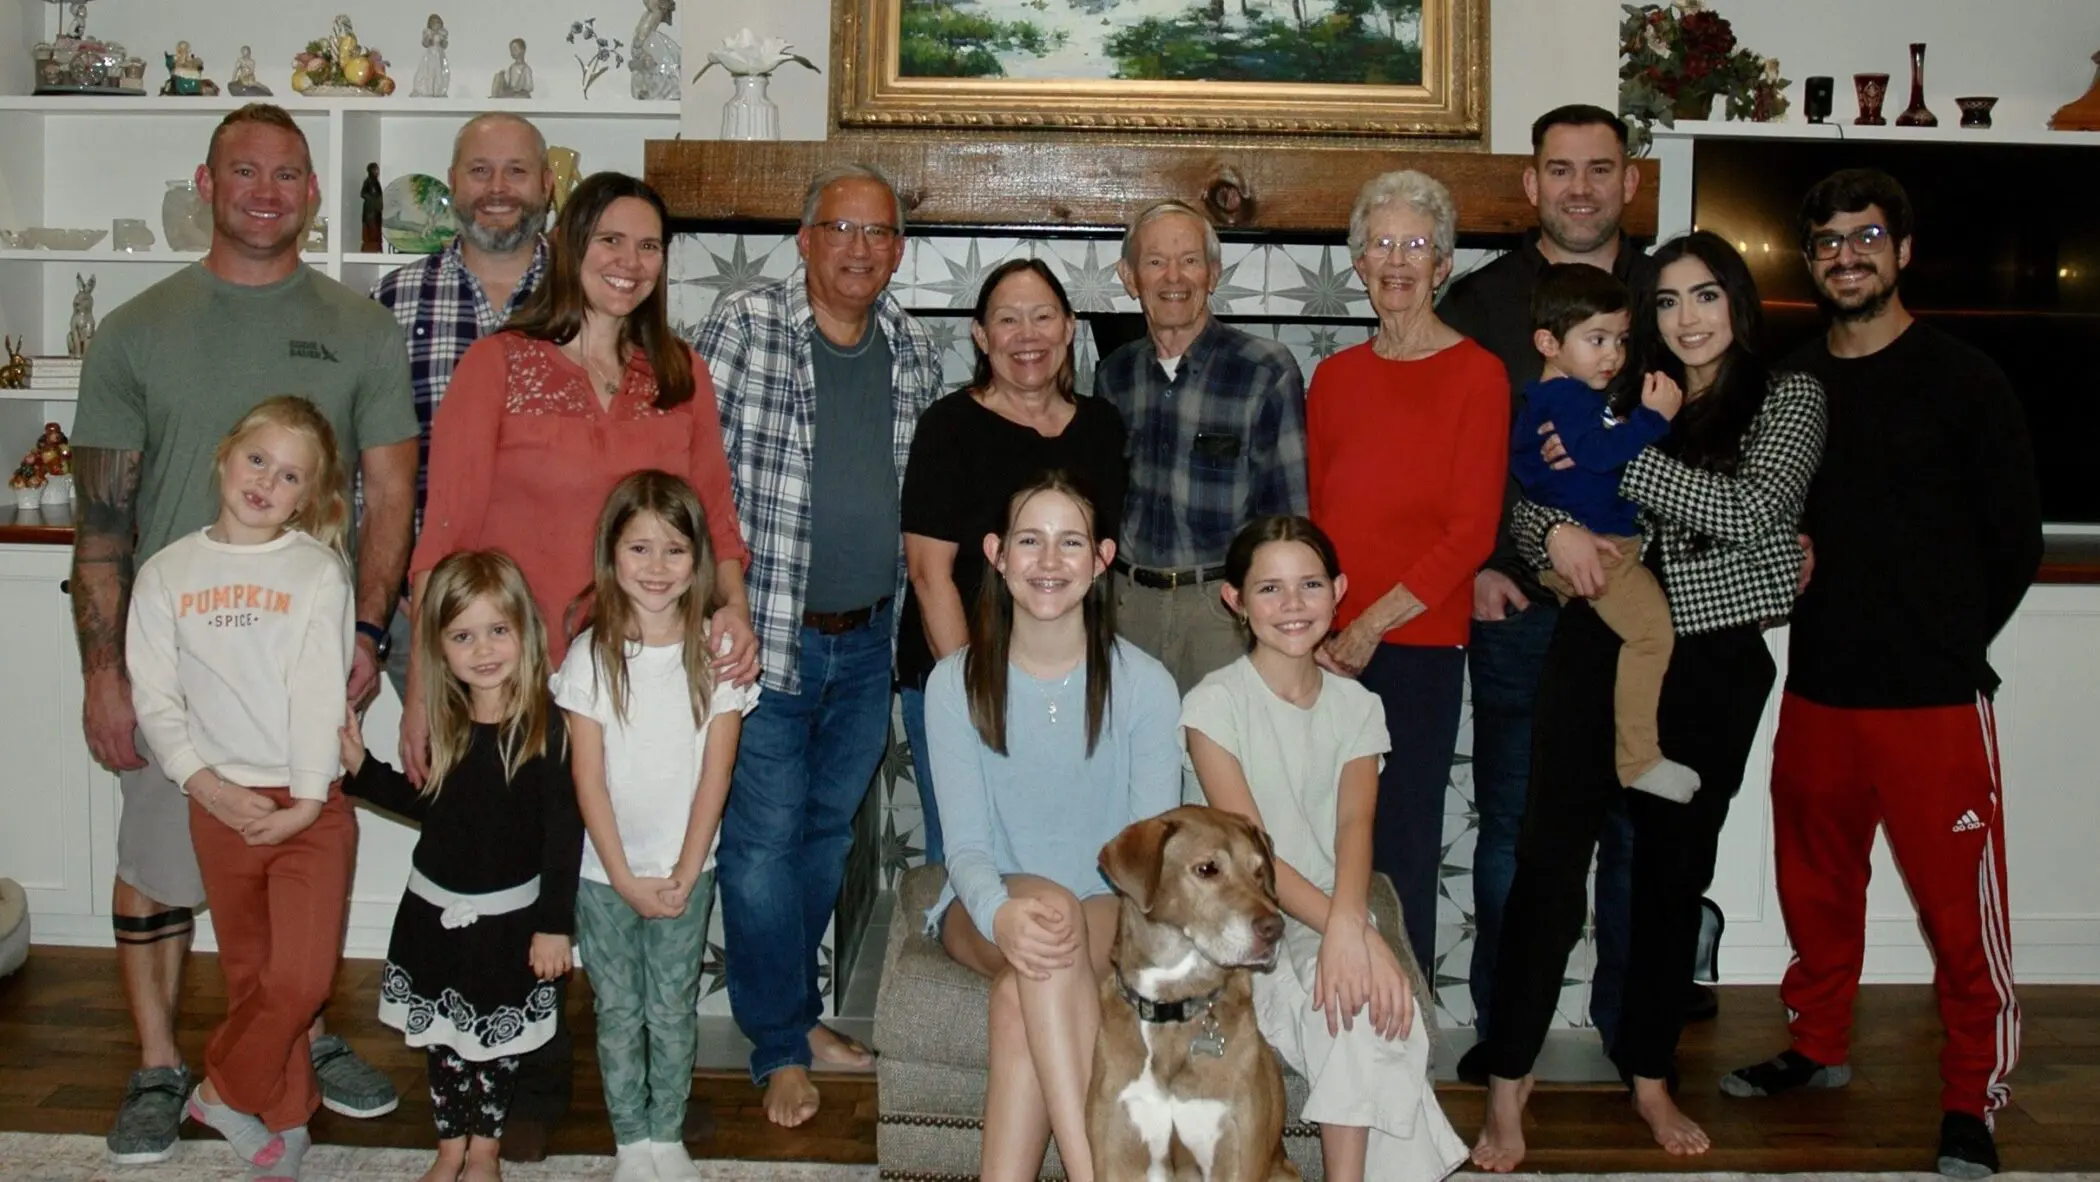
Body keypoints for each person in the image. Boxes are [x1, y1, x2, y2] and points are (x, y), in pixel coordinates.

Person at [70, 102, 414, 1165]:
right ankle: (161, 1063)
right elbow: (100, 522)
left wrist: (365, 631)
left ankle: (288, 1047)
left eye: (287, 174)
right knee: (160, 865)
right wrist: (104, 675)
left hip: (304, 649)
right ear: (207, 183)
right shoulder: (134, 329)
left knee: (295, 878)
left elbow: (391, 494)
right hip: (175, 659)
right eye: (244, 171)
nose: (266, 190)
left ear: (315, 194)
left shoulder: (361, 329)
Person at [1471, 232, 1827, 1171]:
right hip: (1595, 648)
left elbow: (1755, 518)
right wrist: (1554, 535)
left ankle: (1650, 1076)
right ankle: (1508, 1087)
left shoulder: (1787, 397)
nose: (1686, 319)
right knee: (1548, 866)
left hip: (1711, 667)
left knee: (1669, 881)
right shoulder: (1619, 389)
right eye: (1665, 303)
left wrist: (1618, 460)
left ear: (1737, 303)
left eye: (1704, 296)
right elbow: (1531, 497)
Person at [1720, 168, 2041, 1179]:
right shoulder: (1793, 383)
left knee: (1959, 919)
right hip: (1818, 690)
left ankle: (1971, 1100)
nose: (1845, 255)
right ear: (1811, 261)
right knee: (1815, 892)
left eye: (1865, 236)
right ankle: (1817, 1048)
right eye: (1826, 242)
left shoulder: (1965, 378)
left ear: (1902, 252)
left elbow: (2016, 540)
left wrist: (1944, 636)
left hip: (1934, 703)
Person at [693, 161, 945, 1127]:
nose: (859, 249)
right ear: (803, 239)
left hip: (867, 642)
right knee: (759, 846)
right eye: (840, 229)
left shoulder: (916, 350)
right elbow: (691, 474)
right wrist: (723, 603)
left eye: (879, 233)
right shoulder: (745, 328)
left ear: (898, 250)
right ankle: (777, 1045)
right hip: (760, 638)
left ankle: (793, 1022)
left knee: (821, 843)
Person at [1436, 103, 1651, 1063]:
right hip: (1522, 611)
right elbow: (1450, 454)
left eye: (1599, 170)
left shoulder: (1675, 297)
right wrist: (1482, 563)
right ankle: (1502, 1028)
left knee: (1637, 819)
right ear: (1530, 185)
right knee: (1515, 828)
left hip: (1650, 607)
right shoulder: (1480, 306)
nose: (1578, 189)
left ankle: (1629, 1024)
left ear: (1630, 181)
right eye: (1559, 170)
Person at [409, 169, 756, 747]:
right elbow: (443, 542)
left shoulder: (681, 373)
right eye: (610, 240)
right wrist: (421, 697)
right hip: (518, 679)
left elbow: (714, 518)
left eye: (649, 247)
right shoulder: (496, 365)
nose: (631, 261)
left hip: (644, 676)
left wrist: (735, 611)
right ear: (571, 247)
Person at [1183, 514, 1468, 1182]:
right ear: (1235, 600)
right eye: (1270, 589)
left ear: (1340, 590)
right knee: (1355, 1000)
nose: (1292, 606)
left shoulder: (1357, 707)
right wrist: (1351, 931)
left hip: (1320, 911)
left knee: (1364, 1010)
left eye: (1310, 585)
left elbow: (1354, 829)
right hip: (1236, 923)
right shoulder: (1213, 705)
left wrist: (1352, 927)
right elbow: (1250, 855)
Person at [125, 397, 360, 1181]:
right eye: (257, 459)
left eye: (289, 475)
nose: (266, 481)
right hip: (218, 806)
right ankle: (283, 1119)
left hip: (308, 808)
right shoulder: (166, 573)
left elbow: (317, 695)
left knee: (301, 979)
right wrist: (209, 789)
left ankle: (219, 1086)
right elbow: (155, 700)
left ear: (308, 498)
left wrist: (301, 802)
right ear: (226, 455)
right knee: (252, 976)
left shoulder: (314, 571)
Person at [925, 474, 1181, 1182]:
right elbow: (967, 846)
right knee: (1044, 918)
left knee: (1024, 989)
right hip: (982, 906)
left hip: (1106, 908)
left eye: (1070, 543)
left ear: (1101, 560)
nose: (1048, 561)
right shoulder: (954, 683)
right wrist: (999, 913)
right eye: (1029, 541)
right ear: (997, 556)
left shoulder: (1146, 685)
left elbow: (1146, 859)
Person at [1306, 169, 1509, 973]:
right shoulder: (1334, 379)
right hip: (1324, 650)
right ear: (1357, 263)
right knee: (1323, 846)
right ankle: (1332, 1026)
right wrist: (1317, 630)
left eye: (1415, 244)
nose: (1397, 260)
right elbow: (1317, 524)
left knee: (1400, 849)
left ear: (1444, 264)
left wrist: (1367, 627)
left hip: (1417, 650)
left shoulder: (1478, 376)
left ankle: (1400, 1044)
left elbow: (1471, 534)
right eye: (1380, 243)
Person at [338, 550, 582, 1182]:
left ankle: (485, 1149)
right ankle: (450, 1145)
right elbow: (433, 805)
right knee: (444, 1038)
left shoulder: (548, 731)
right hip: (433, 914)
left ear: (524, 632)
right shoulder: (444, 721)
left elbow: (563, 837)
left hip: (510, 922)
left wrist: (555, 926)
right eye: (463, 636)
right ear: (439, 648)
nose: (483, 650)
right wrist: (363, 772)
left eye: (497, 631)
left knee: (496, 1046)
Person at [555, 471, 758, 1182]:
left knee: (671, 1008)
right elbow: (587, 779)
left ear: (698, 559)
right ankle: (630, 1142)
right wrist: (620, 875)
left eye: (674, 550)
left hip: (685, 872)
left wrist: (682, 869)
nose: (656, 567)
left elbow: (717, 776)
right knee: (617, 1010)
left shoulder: (717, 659)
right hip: (602, 874)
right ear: (612, 556)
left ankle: (666, 1135)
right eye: (639, 549)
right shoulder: (590, 656)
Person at [899, 259, 1127, 865]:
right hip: (966, 681)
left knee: (1060, 856)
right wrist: (974, 696)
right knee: (971, 858)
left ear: (1070, 327)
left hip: (1071, 687)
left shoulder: (1103, 427)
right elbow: (929, 575)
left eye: (1043, 316)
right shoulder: (948, 426)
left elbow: (1099, 563)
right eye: (1008, 320)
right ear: (981, 335)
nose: (1027, 335)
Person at [1097, 199, 1307, 695]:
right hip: (1129, 610)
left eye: (1190, 260)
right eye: (1155, 262)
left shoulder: (1266, 370)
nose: (1175, 277)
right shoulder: (1115, 374)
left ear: (1213, 273)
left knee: (1221, 768)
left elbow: (1288, 519)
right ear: (1129, 277)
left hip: (1223, 613)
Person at [373, 112, 554, 680]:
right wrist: (389, 581)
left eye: (516, 171)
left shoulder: (592, 299)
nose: (497, 189)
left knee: (564, 771)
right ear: (452, 182)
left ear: (548, 185)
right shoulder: (391, 302)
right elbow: (364, 463)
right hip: (431, 611)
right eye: (480, 171)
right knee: (442, 770)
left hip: (561, 609)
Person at [1509, 264, 1699, 803]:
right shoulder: (1566, 398)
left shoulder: (1567, 397)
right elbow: (1596, 455)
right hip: (1601, 553)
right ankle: (1640, 760)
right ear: (1548, 342)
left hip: (1595, 550)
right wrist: (1653, 418)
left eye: (1619, 340)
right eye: (1596, 340)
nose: (1612, 355)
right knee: (1652, 635)